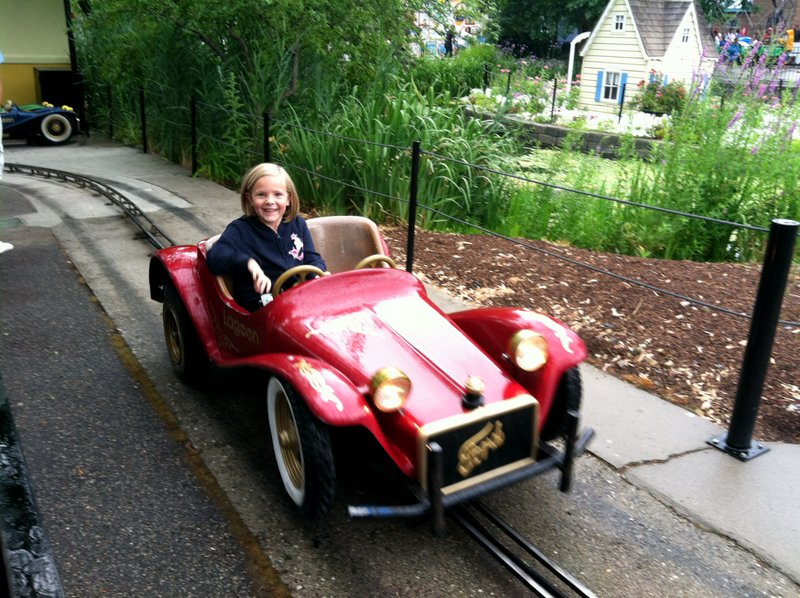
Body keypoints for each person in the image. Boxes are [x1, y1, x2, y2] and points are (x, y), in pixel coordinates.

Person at [207, 163, 327, 311]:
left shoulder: (298, 224)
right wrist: (249, 263)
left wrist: (318, 274)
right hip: (261, 306)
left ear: (288, 199)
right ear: (250, 198)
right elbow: (215, 257)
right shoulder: (240, 230)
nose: (270, 201)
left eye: (278, 194)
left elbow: (311, 257)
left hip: (296, 300)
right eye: (261, 195)